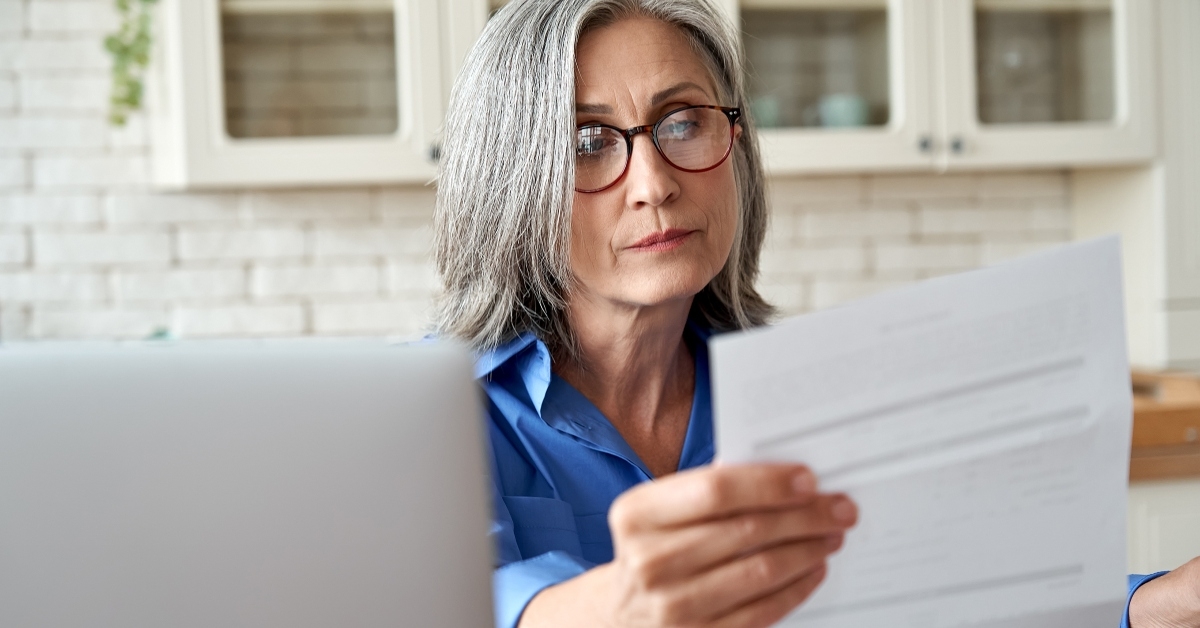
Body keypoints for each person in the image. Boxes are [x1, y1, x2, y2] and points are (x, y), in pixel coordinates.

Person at [431, 1, 1200, 627]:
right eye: (588, 141)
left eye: (683, 122)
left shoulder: (809, 392)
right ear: (511, 179)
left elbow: (956, 588)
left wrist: (1151, 604)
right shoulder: (430, 411)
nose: (653, 183)